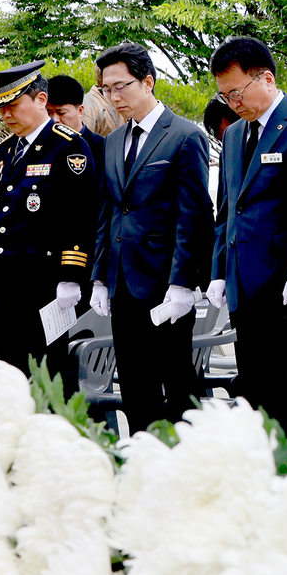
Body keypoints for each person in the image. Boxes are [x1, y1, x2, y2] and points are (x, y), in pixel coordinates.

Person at [206, 37, 287, 437]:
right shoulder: (232, 137)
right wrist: (218, 273)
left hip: (286, 289)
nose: (233, 102)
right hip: (245, 289)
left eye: (238, 91)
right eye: (225, 95)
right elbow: (226, 212)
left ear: (267, 78)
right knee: (257, 399)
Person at [90, 43, 213, 432]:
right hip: (121, 282)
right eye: (107, 89)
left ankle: (188, 464)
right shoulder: (112, 141)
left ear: (148, 82)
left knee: (177, 384)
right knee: (135, 385)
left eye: (121, 86)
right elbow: (108, 211)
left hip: (164, 284)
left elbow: (193, 216)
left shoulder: (184, 136)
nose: (114, 97)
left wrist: (182, 283)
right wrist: (98, 274)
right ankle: (144, 462)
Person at [0, 62, 100, 382]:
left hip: (46, 284)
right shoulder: (5, 152)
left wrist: (71, 276)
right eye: (0, 107)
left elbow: (80, 214)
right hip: (7, 284)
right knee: (9, 373)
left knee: (47, 376)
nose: (5, 114)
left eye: (12, 105)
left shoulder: (69, 146)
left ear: (41, 100)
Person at [45, 74, 107, 154]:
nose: (54, 119)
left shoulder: (102, 147)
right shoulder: (39, 146)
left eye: (61, 113)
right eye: (48, 113)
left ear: (80, 111)